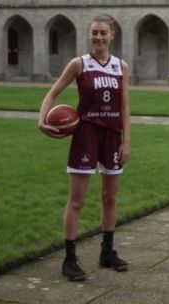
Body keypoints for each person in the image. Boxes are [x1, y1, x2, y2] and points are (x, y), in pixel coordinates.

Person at [38, 14, 131, 281]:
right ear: (89, 35)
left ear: (112, 34)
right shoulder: (79, 64)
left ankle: (107, 252)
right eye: (94, 33)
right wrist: (41, 119)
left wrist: (126, 141)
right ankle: (69, 259)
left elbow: (124, 106)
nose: (99, 37)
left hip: (112, 134)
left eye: (103, 32)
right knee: (77, 199)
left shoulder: (121, 67)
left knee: (110, 197)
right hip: (86, 134)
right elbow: (53, 92)